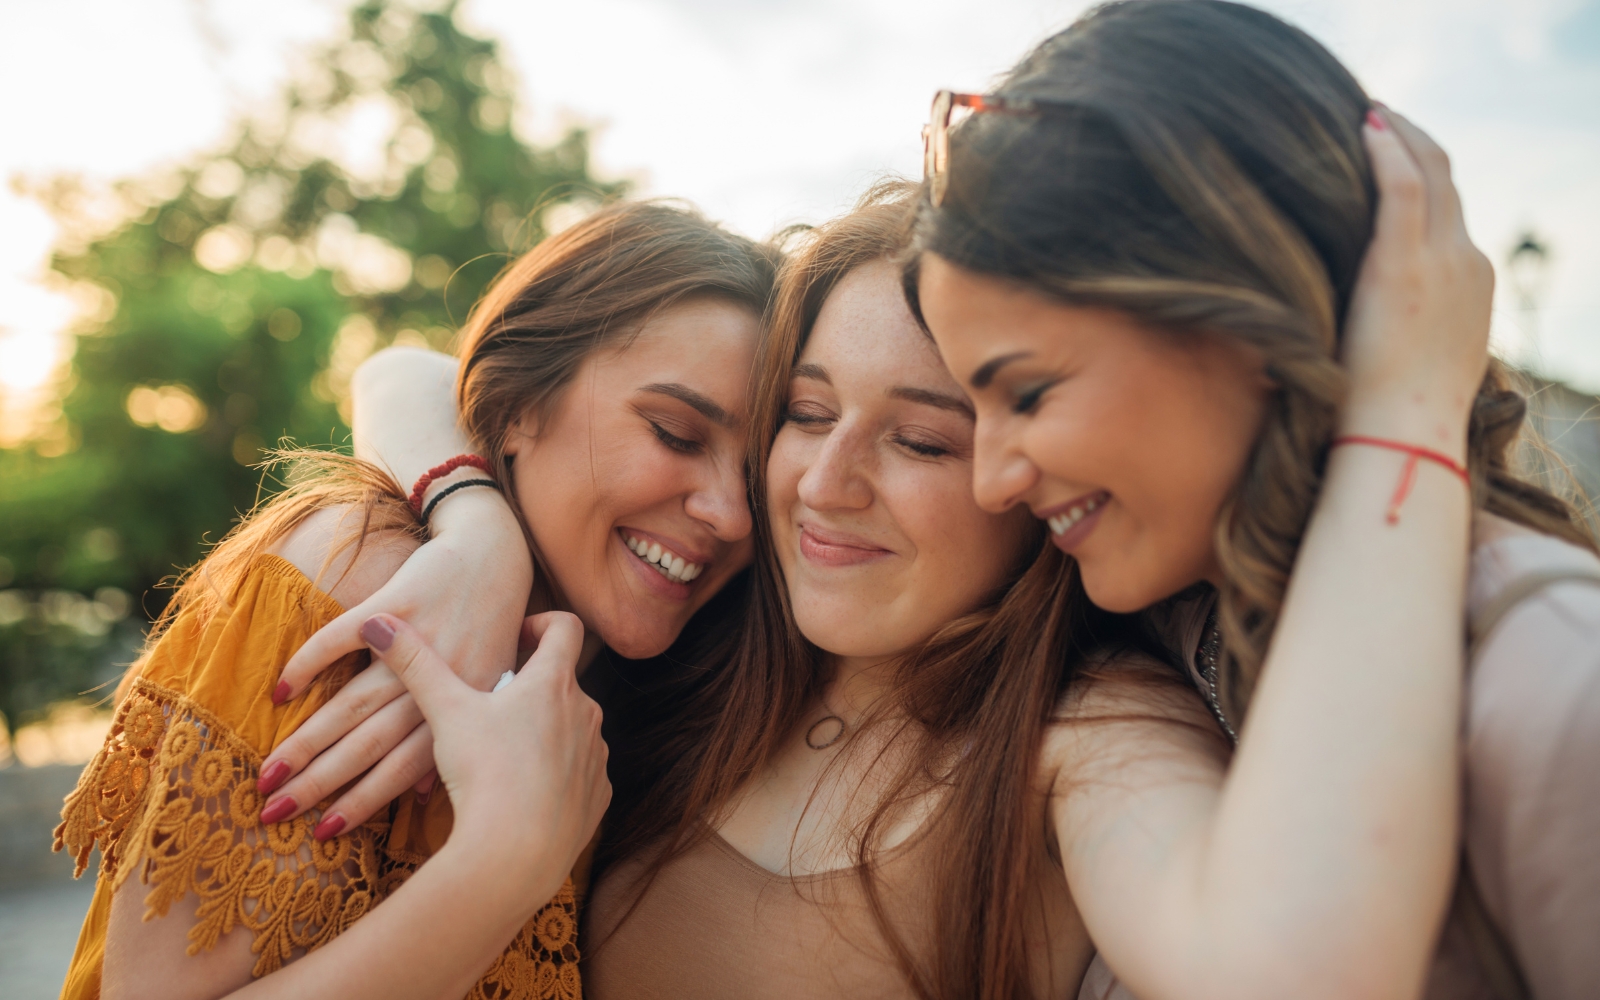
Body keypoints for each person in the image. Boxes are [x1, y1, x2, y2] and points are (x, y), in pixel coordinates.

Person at [909, 4, 1600, 999]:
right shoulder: (1156, 650)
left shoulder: (1552, 686)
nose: (992, 481)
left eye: (1027, 392)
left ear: (1244, 318)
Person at [53, 201, 778, 1000]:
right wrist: (505, 863)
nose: (731, 514)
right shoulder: (365, 581)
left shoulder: (623, 679)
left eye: (755, 477)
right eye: (675, 434)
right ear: (525, 401)